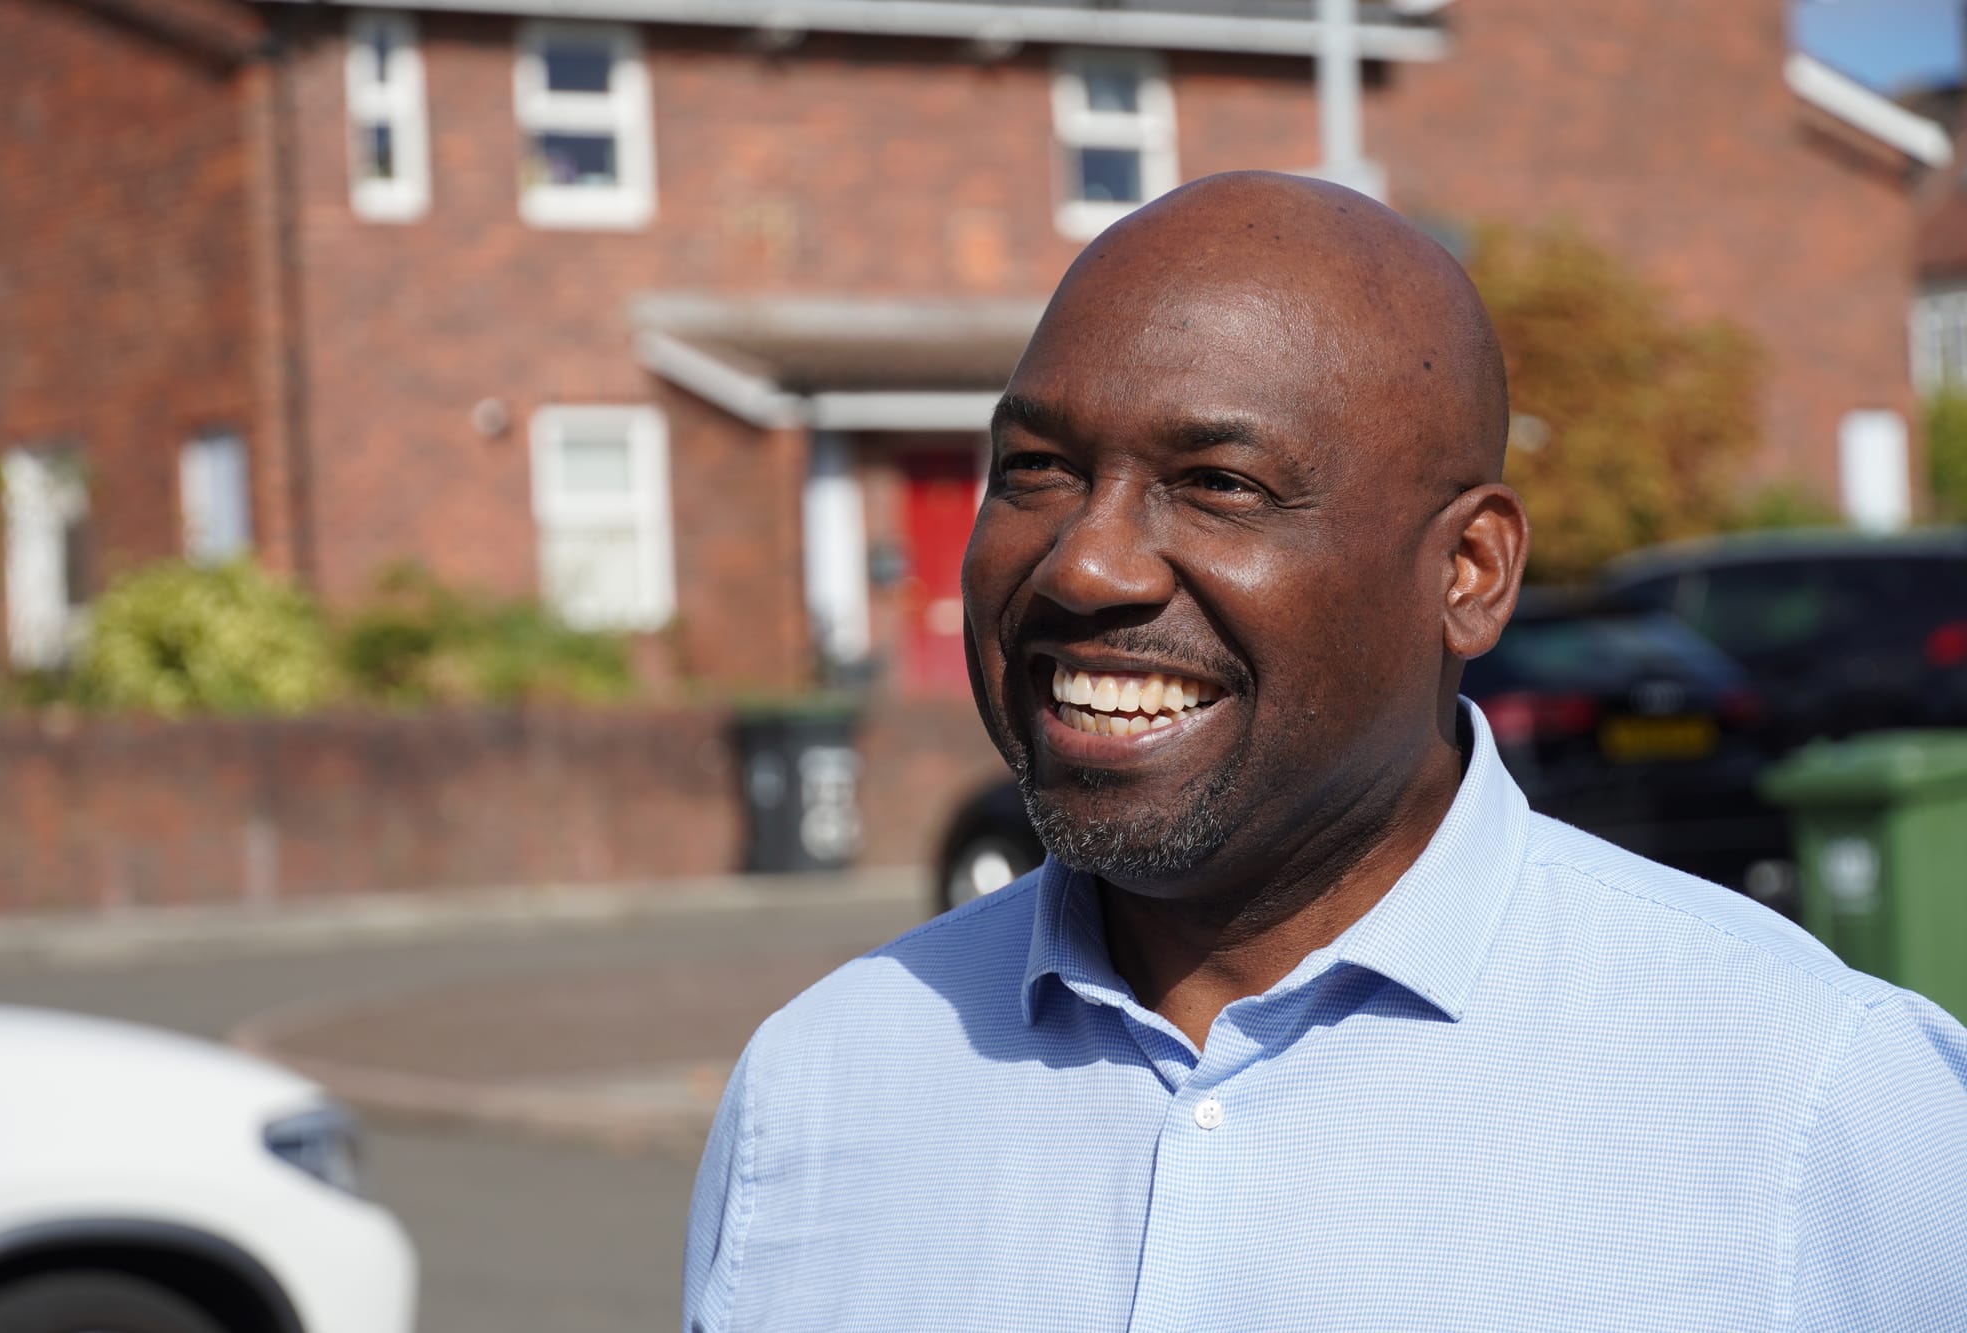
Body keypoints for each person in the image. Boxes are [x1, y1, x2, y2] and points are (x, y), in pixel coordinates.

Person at [683, 172, 1967, 1332]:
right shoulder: (816, 1090)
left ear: (1466, 571)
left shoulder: (1815, 1104)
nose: (1084, 562)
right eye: (1034, 468)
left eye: (1218, 483)